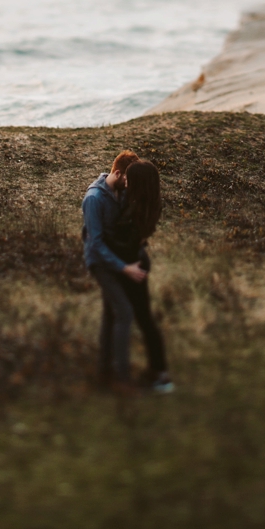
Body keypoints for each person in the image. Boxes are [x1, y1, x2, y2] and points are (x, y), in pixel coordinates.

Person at [81, 151, 175, 394]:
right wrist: (124, 266)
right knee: (122, 312)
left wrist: (133, 256)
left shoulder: (126, 194)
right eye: (127, 181)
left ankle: (110, 371)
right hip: (106, 262)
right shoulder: (94, 198)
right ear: (120, 174)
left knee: (114, 314)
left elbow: (130, 232)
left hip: (126, 262)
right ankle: (120, 377)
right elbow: (96, 243)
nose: (128, 187)